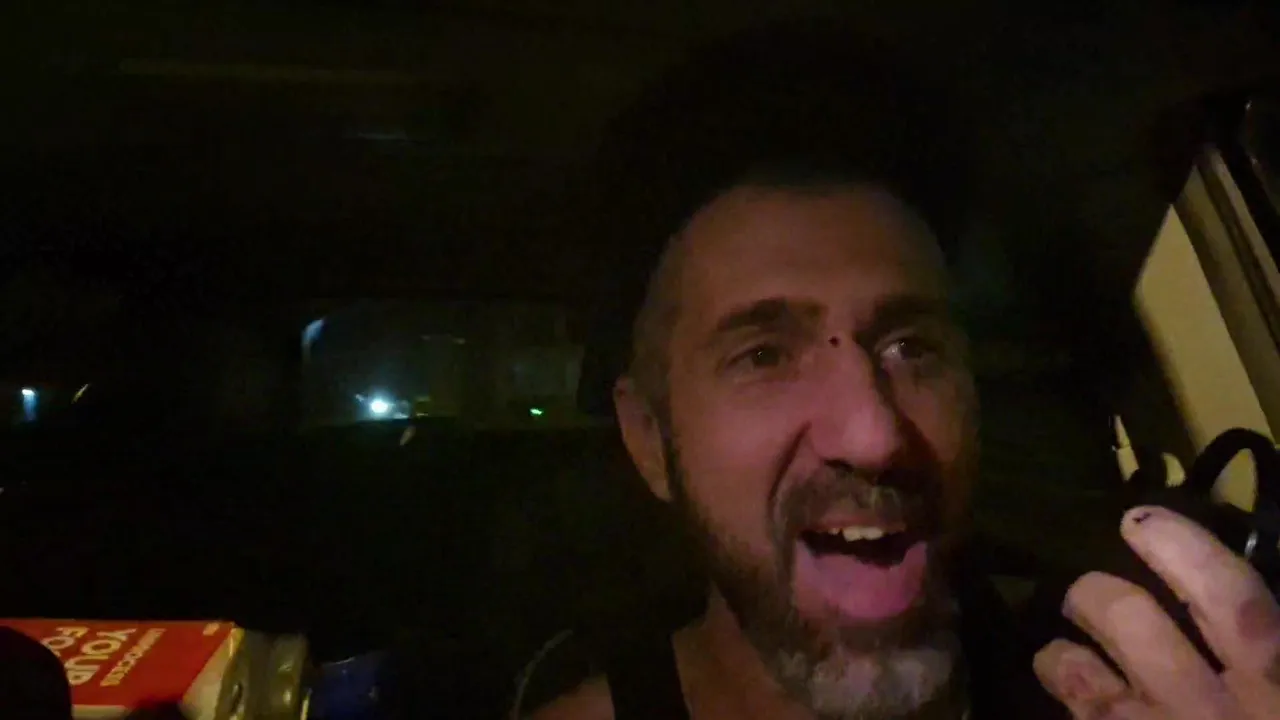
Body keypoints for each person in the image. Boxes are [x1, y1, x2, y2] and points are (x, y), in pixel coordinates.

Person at [531, 21, 1280, 720]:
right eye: (763, 356)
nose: (875, 438)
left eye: (912, 348)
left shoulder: (1117, 677)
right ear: (649, 436)